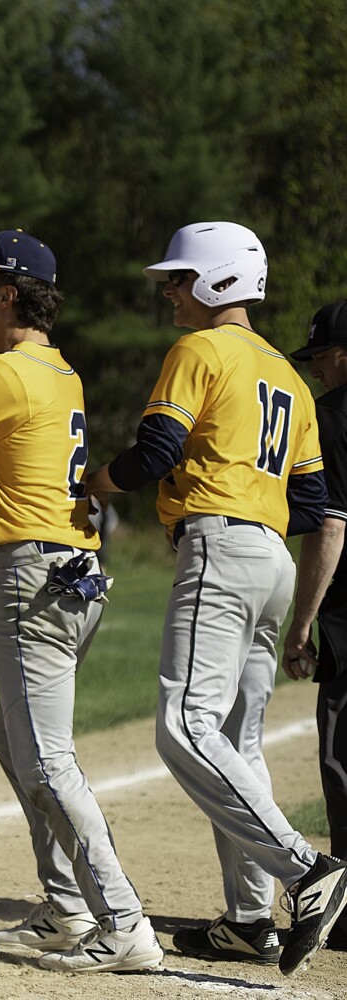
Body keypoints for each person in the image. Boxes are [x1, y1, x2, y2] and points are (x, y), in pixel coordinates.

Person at [86, 221, 345, 976]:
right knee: (237, 739)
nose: (169, 290)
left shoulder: (198, 349)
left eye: (179, 278)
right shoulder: (290, 378)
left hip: (223, 547)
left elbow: (155, 452)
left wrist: (99, 482)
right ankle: (245, 921)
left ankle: (306, 872)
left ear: (218, 282)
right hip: (270, 559)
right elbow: (311, 501)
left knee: (183, 725)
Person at [0, 231, 160, 973]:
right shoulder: (55, 370)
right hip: (68, 572)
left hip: (36, 575)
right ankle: (65, 908)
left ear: (9, 293)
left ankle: (120, 920)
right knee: (17, 747)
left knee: (45, 761)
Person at [281, 298, 347, 955]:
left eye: (322, 358)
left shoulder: (328, 418)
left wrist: (300, 626)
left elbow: (329, 525)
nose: (318, 372)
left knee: (343, 760)